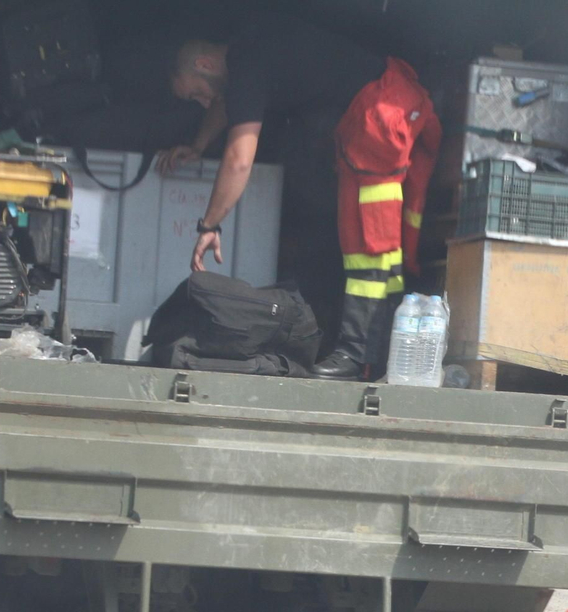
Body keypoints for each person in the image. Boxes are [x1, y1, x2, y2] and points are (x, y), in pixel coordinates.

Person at [164, 15, 441, 380]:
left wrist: (210, 225)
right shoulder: (247, 51)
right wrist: (199, 145)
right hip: (383, 104)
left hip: (381, 114)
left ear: (204, 64)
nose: (202, 103)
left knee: (368, 247)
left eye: (197, 92)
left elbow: (239, 159)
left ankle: (358, 356)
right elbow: (226, 103)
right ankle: (378, 355)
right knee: (376, 250)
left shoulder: (247, 66)